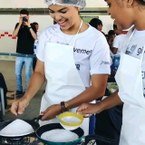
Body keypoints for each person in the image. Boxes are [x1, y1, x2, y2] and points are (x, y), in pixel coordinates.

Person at [10, 0, 111, 135]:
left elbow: (98, 89)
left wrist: (62, 107)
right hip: (48, 107)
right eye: (52, 11)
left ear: (77, 7)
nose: (57, 17)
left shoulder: (96, 39)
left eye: (63, 11)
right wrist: (26, 98)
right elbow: (40, 72)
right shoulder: (48, 35)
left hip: (78, 111)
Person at [77, 0, 145, 144]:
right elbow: (128, 91)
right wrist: (98, 106)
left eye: (109, 4)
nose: (109, 12)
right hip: (130, 133)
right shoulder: (130, 38)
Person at [12, 9, 37, 97]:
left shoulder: (32, 26)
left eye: (25, 17)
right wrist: (19, 24)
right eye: (22, 17)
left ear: (28, 16)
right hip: (19, 54)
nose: (23, 19)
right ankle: (19, 90)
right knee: (17, 73)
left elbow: (35, 37)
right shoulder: (17, 25)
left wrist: (29, 25)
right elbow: (14, 35)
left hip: (29, 55)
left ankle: (27, 91)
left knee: (27, 74)